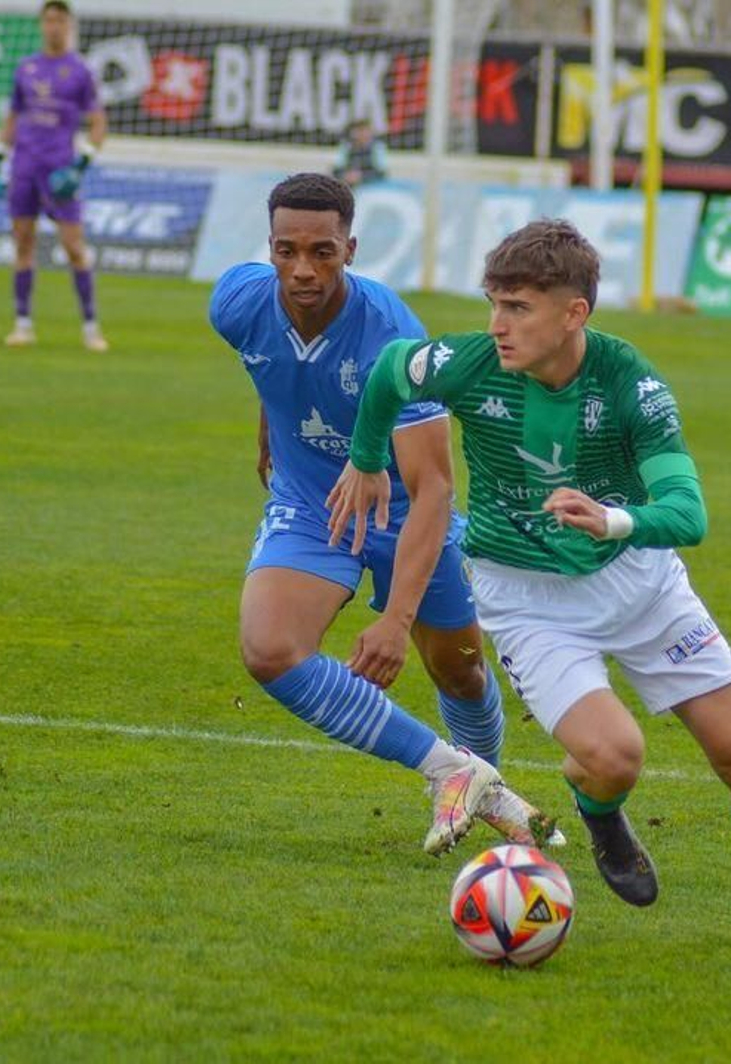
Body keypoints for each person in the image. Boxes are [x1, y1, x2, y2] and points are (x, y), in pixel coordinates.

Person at [328, 219, 731, 958]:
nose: (497, 325)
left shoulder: (630, 383)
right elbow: (387, 373)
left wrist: (612, 520)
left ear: (575, 313)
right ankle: (598, 808)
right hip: (525, 600)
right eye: (494, 303)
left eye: (519, 308)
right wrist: (369, 456)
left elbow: (689, 514)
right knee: (615, 756)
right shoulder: (467, 364)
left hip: (639, 582)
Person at [208, 173, 556, 857]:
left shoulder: (389, 336)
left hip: (405, 514)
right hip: (312, 508)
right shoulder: (237, 302)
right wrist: (269, 426)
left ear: (352, 248)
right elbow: (269, 366)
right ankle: (452, 771)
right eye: (286, 251)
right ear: (268, 248)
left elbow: (433, 488)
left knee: (459, 672)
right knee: (270, 649)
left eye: (323, 253)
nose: (302, 269)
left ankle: (482, 788)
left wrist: (395, 621)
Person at [0, 0, 109, 352]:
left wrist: (81, 164)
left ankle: (91, 328)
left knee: (74, 247)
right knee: (23, 243)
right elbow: (13, 114)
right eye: (48, 20)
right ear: (41, 25)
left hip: (60, 169)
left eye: (59, 20)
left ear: (69, 25)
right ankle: (23, 325)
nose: (53, 26)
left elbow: (99, 121)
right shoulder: (26, 67)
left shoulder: (79, 70)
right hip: (24, 166)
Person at [332, 119, 389, 187]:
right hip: (349, 184)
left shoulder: (377, 147)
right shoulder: (347, 146)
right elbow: (336, 169)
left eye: (364, 131)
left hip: (371, 186)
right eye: (359, 131)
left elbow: (381, 172)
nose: (361, 134)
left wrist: (361, 176)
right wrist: (346, 175)